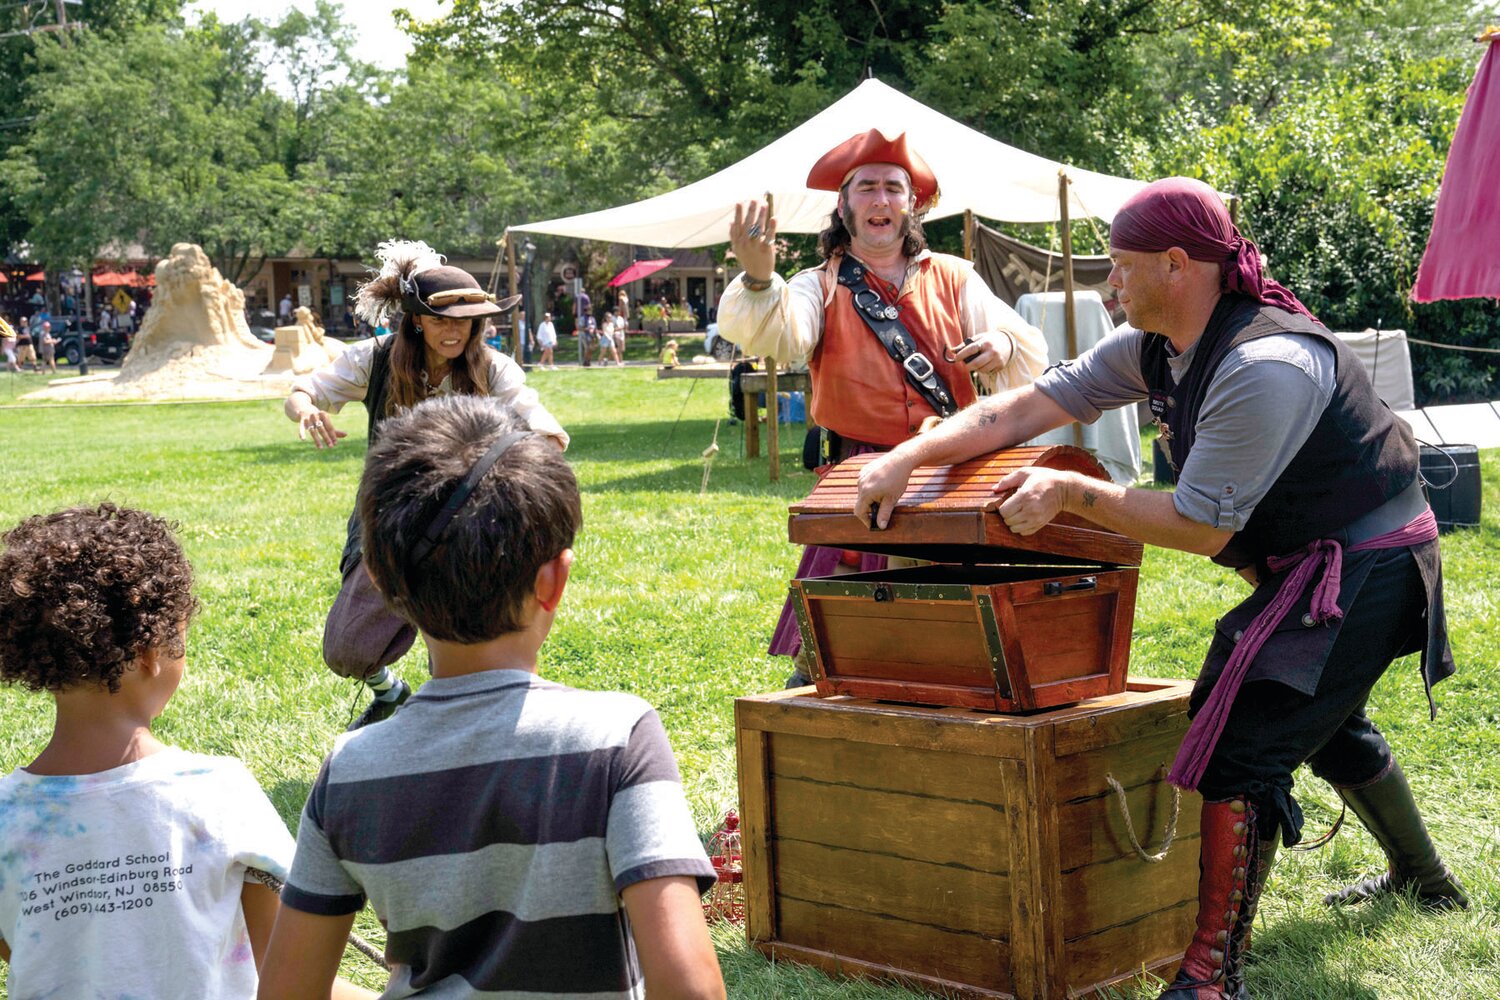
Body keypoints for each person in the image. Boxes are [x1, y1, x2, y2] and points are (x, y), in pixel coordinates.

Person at [854, 177, 1464, 1000]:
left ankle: (1211, 978)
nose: (1109, 284)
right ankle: (1425, 882)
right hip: (1310, 558)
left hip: (1372, 561)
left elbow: (1197, 525)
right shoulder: (1151, 343)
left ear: (1177, 265)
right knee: (1313, 715)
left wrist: (1074, 494)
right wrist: (907, 457)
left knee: (1245, 739)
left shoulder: (1264, 363)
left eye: (1121, 265)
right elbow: (1020, 410)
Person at [256, 396, 726, 1000]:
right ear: (555, 580)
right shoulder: (618, 740)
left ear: (380, 581)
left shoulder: (350, 769)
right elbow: (691, 988)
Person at [717, 127, 1050, 686]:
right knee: (838, 648)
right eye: (866, 187)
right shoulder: (815, 285)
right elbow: (782, 334)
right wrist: (756, 277)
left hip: (950, 474)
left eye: (893, 188)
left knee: (958, 638)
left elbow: (1025, 348)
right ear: (844, 205)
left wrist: (1003, 345)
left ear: (911, 204)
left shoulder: (954, 276)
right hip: (860, 476)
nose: (881, 200)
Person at [0, 504, 370, 1000]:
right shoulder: (219, 793)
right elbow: (291, 978)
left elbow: (26, 948)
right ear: (152, 653)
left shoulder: (5, 818)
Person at [284, 240, 568, 730]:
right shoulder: (375, 359)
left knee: (462, 640)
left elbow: (541, 427)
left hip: (473, 522)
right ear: (417, 319)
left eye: (466, 320)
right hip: (392, 516)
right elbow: (305, 388)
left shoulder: (493, 369)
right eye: (441, 319)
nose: (454, 330)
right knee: (347, 649)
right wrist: (306, 409)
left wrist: (535, 458)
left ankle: (459, 722)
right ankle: (389, 693)